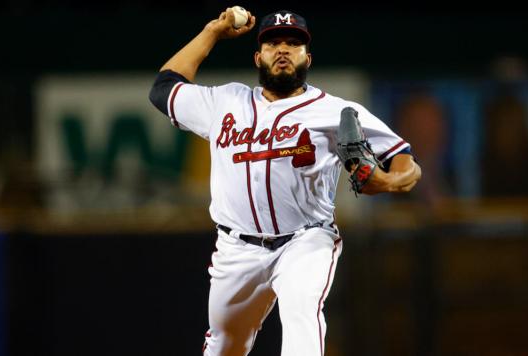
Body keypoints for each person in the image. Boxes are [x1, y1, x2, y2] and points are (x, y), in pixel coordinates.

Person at [148, 8, 421, 356]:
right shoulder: (224, 102)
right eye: (273, 42)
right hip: (237, 248)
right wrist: (213, 31)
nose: (282, 49)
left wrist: (387, 180)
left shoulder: (334, 110)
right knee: (224, 347)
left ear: (308, 56)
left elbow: (405, 159)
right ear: (257, 56)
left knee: (301, 313)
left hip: (305, 240)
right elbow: (163, 89)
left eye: (293, 43)